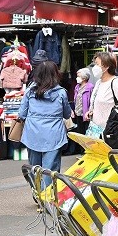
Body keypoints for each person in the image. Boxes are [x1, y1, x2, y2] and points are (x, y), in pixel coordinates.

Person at [18, 60, 71, 189]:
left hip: (33, 134)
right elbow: (67, 114)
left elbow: (21, 114)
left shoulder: (30, 91)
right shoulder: (61, 93)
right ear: (55, 74)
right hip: (54, 135)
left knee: (34, 167)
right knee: (50, 168)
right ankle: (48, 196)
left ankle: (38, 194)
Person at [87, 52, 118, 140]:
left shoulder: (117, 83)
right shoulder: (98, 83)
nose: (94, 67)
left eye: (97, 64)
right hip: (95, 131)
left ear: (106, 66)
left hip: (110, 133)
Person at [72, 68, 93, 136]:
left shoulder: (90, 87)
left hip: (86, 114)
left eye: (78, 76)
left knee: (86, 133)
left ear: (84, 78)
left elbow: (92, 100)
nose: (77, 78)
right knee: (79, 133)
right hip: (78, 113)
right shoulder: (77, 87)